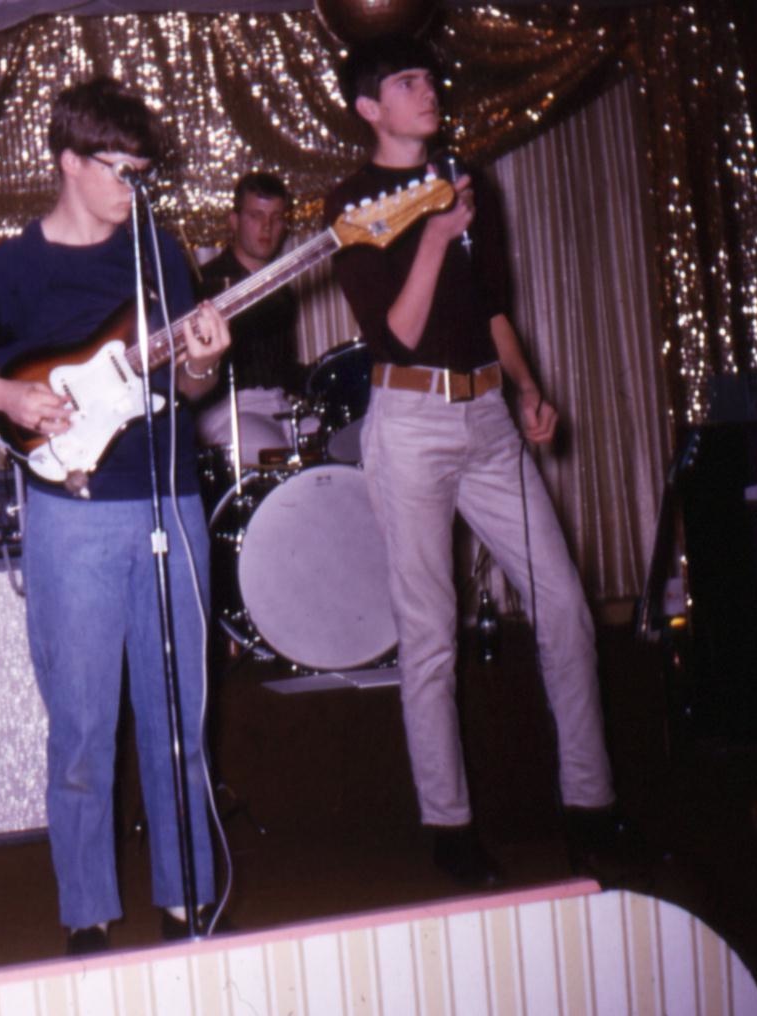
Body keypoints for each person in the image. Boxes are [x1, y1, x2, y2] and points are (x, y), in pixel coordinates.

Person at [0, 77, 230, 953]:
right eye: (120, 168)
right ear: (68, 162)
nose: (134, 186)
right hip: (72, 515)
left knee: (179, 722)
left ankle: (188, 902)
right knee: (82, 730)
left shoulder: (159, 254)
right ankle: (87, 913)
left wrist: (203, 364)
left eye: (143, 171)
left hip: (170, 500)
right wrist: (7, 396)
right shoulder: (14, 266)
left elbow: (190, 385)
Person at [323, 36, 632, 885]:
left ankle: (591, 806)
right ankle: (450, 828)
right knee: (430, 631)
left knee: (565, 607)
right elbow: (397, 334)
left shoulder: (468, 179)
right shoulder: (352, 204)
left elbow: (493, 307)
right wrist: (432, 236)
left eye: (430, 77)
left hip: (490, 415)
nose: (429, 90)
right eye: (408, 81)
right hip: (410, 419)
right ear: (370, 108)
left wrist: (528, 387)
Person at [194, 172, 309, 464]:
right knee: (280, 459)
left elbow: (283, 368)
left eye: (276, 217)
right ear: (234, 221)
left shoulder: (282, 288)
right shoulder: (205, 285)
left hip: (280, 404)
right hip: (228, 409)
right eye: (256, 216)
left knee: (332, 446)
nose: (267, 227)